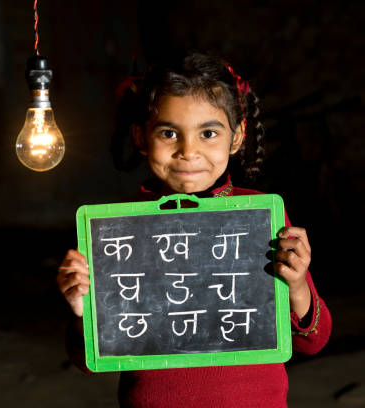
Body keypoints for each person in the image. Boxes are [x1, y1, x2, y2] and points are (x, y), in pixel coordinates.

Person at [55, 53, 331, 408]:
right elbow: (87, 362)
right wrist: (82, 311)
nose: (189, 151)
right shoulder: (120, 231)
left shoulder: (261, 216)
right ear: (140, 137)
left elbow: (314, 340)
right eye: (169, 132)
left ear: (237, 137)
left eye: (208, 133)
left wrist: (296, 284)